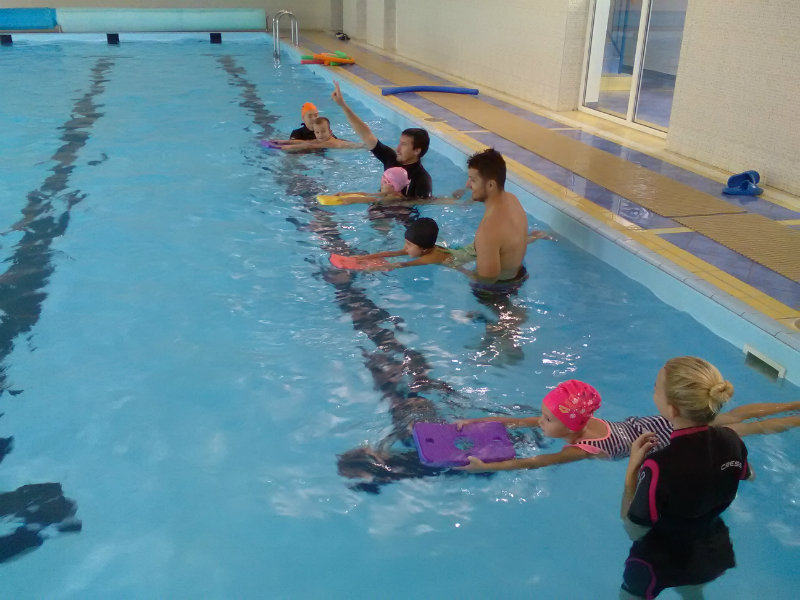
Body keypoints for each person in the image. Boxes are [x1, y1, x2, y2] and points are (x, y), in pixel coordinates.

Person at [617, 356, 799, 598]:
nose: (653, 393)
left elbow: (634, 529)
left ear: (672, 409)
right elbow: (749, 475)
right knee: (693, 592)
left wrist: (632, 471)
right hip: (709, 552)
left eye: (655, 389)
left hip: (657, 560)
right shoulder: (732, 439)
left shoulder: (658, 465)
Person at [457, 366, 800, 473]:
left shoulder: (581, 448)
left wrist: (489, 467)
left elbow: (536, 462)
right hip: (652, 424)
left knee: (747, 429)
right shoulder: (574, 420)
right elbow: (525, 421)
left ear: (570, 428)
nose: (540, 422)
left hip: (664, 436)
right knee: (732, 417)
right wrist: (484, 422)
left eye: (547, 419)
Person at [330, 80, 433, 198]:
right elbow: (366, 134)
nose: (398, 148)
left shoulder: (422, 179)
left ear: (417, 150)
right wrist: (343, 105)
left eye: (404, 144)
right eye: (399, 143)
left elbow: (423, 204)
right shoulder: (391, 158)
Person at [331, 217, 551, 271]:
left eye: (409, 245)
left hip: (468, 257)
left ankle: (534, 236)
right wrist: (361, 258)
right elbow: (391, 254)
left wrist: (370, 269)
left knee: (503, 247)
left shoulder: (429, 258)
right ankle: (525, 235)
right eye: (406, 243)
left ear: (424, 249)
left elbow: (400, 265)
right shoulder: (420, 248)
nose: (405, 248)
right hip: (464, 250)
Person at [463, 148, 529, 289]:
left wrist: (457, 268)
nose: (468, 185)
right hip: (520, 275)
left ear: (491, 185)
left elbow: (487, 280)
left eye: (473, 180)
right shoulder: (513, 200)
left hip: (495, 292)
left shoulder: (487, 232)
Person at [277, 117, 365, 151]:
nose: (320, 135)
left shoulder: (329, 142)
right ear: (314, 133)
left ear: (330, 132)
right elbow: (306, 142)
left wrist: (283, 147)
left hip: (359, 147)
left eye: (323, 131)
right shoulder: (322, 140)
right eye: (317, 132)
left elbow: (308, 146)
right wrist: (281, 142)